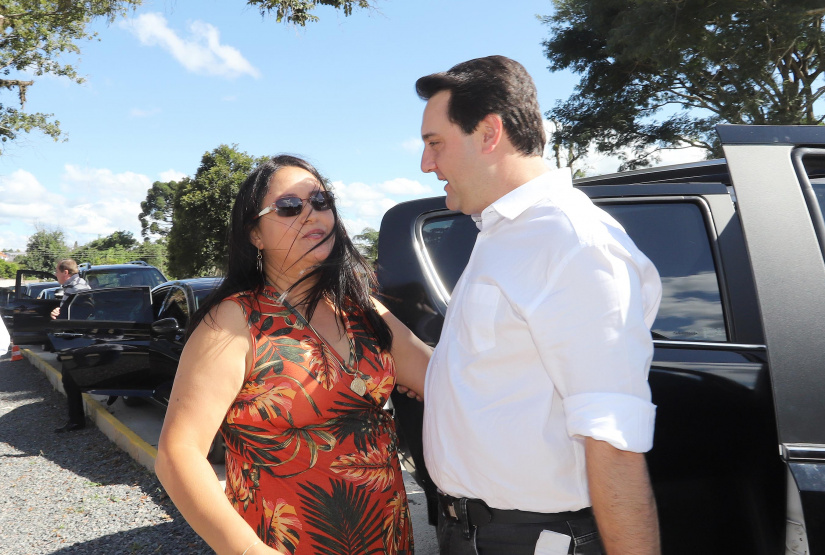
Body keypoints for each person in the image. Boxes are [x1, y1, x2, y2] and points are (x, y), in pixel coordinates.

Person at [416, 56, 663, 554]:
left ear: (489, 133)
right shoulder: (504, 234)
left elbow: (612, 440)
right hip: (477, 533)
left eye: (434, 143)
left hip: (533, 540)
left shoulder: (572, 243)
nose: (426, 164)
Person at [155, 155, 431, 555]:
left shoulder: (362, 310)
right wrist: (246, 550)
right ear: (255, 235)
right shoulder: (233, 322)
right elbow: (178, 452)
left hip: (385, 537)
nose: (311, 214)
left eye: (321, 202)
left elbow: (439, 376)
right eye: (289, 206)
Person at [52, 258, 91, 433]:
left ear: (65, 272)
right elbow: (69, 310)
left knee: (71, 379)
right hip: (72, 338)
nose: (55, 275)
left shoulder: (79, 289)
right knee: (69, 380)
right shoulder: (71, 288)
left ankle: (76, 421)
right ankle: (75, 419)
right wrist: (58, 312)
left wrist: (60, 319)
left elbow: (83, 313)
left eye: (57, 271)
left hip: (78, 339)